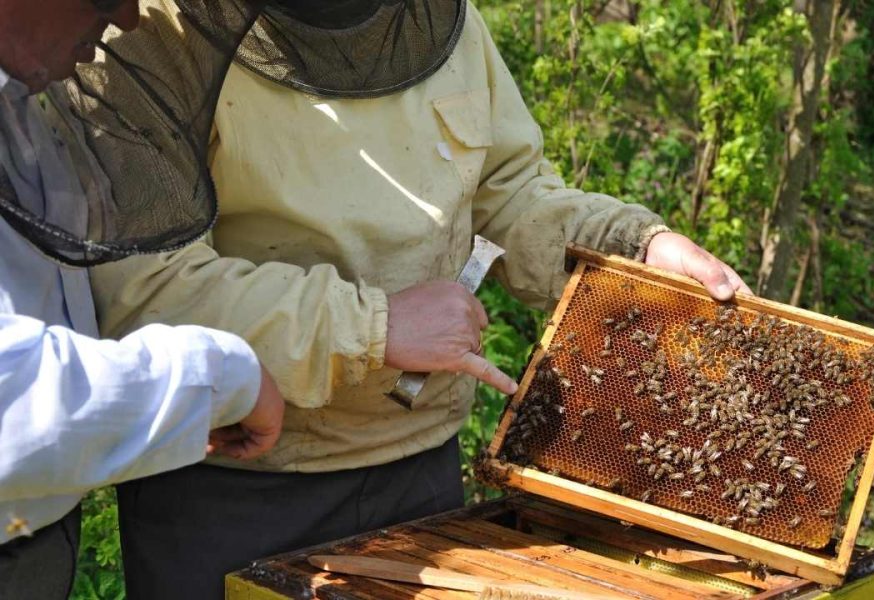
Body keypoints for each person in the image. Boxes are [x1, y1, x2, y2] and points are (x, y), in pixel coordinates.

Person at [86, 1, 754, 597]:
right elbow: (149, 290)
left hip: (421, 473)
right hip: (233, 479)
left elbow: (511, 192)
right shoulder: (144, 37)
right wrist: (373, 326)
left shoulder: (442, 24)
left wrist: (634, 246)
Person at [0, 1, 286, 598]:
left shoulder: (24, 91)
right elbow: (11, 403)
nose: (127, 17)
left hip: (38, 532)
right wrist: (225, 375)